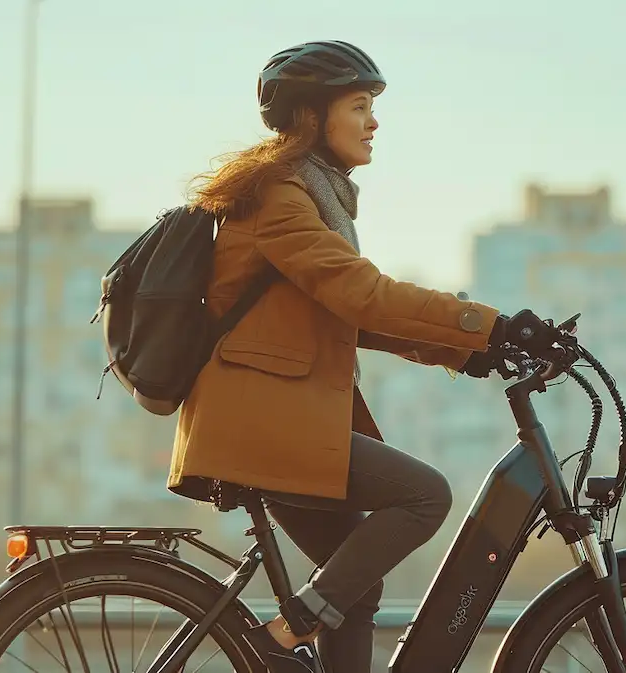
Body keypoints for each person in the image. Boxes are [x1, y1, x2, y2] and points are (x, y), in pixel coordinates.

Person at [166, 40, 532, 673]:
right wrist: (490, 326)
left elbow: (349, 315)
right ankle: (291, 627)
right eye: (360, 105)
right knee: (425, 498)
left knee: (354, 589)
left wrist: (470, 352)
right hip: (262, 427)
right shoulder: (280, 198)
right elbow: (364, 295)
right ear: (313, 114)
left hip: (273, 423)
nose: (374, 120)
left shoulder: (308, 195)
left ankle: (302, 620)